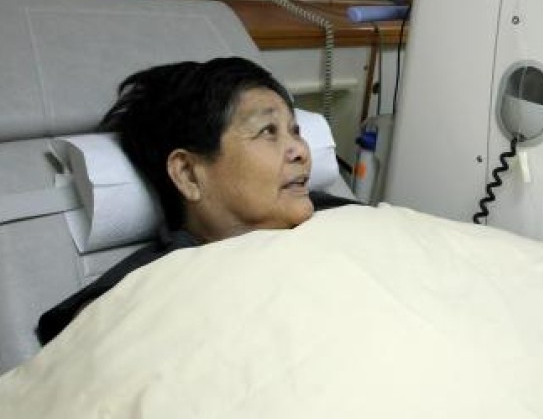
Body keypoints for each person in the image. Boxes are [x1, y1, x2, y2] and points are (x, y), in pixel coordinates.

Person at [37, 57, 356, 345]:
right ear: (188, 174)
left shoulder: (349, 218)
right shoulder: (140, 296)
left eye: (295, 130)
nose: (301, 150)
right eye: (267, 131)